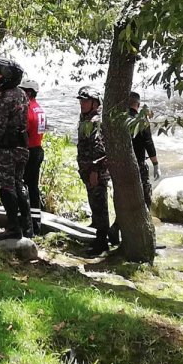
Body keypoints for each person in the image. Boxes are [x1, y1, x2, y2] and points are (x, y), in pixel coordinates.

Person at [0, 56, 32, 240]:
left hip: (7, 149)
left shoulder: (5, 97)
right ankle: (27, 227)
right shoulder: (21, 94)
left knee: (7, 187)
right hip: (21, 147)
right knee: (19, 184)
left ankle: (14, 227)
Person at [77, 86, 111, 256]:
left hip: (96, 172)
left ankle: (102, 243)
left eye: (86, 101)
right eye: (81, 101)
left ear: (95, 103)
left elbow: (100, 150)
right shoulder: (85, 118)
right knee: (94, 204)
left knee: (100, 206)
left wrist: (95, 171)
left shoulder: (96, 121)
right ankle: (97, 231)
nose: (82, 104)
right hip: (88, 170)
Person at [21, 77, 47, 235]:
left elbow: (23, 132)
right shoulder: (40, 109)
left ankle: (25, 223)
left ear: (29, 93)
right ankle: (36, 223)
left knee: (22, 186)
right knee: (33, 187)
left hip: (29, 151)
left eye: (22, 91)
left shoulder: (28, 110)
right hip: (38, 149)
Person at [127, 91, 159, 207]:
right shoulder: (141, 121)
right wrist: (155, 164)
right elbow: (148, 143)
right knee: (144, 195)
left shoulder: (120, 119)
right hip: (138, 163)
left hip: (122, 164)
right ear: (138, 105)